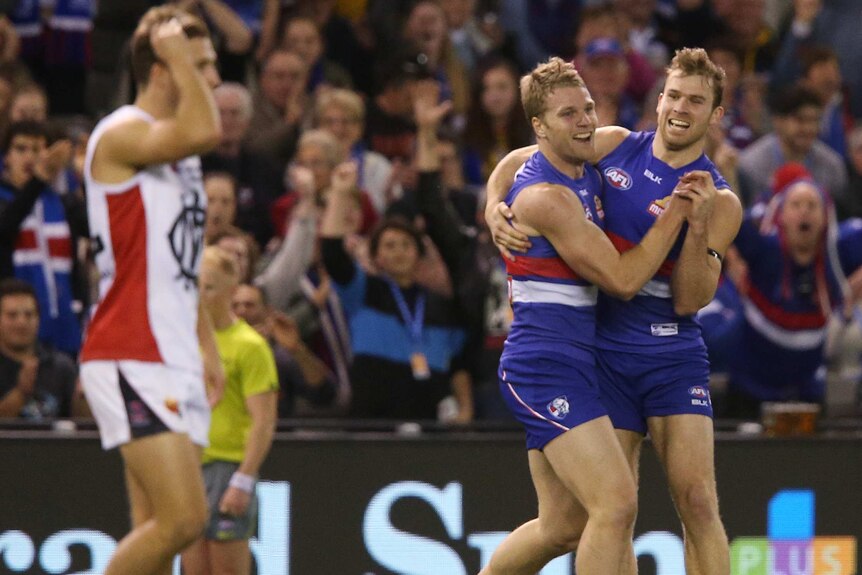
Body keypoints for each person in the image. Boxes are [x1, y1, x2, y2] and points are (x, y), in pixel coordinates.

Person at [487, 48, 743, 574]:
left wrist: (694, 227)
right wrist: (493, 204)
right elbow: (518, 161)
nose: (680, 107)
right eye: (673, 94)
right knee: (612, 508)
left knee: (696, 502)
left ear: (715, 115)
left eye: (696, 100)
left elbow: (691, 298)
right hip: (601, 351)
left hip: (670, 353)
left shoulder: (721, 201)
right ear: (658, 99)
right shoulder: (612, 146)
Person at [78, 7, 225, 575]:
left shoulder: (177, 156)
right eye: (201, 64)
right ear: (163, 67)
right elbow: (207, 128)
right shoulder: (120, 133)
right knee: (185, 521)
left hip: (173, 351)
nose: (212, 79)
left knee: (156, 537)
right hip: (130, 349)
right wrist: (176, 55)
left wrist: (206, 345)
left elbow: (178, 267)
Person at [182, 248, 278, 575]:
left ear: (230, 290)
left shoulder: (249, 346)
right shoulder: (183, 341)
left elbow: (263, 420)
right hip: (189, 466)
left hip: (227, 465)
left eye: (209, 287)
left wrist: (244, 478)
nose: (200, 295)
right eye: (195, 286)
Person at [0, 277, 85, 420]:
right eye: (12, 315)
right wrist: (21, 394)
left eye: (29, 315)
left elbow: (83, 426)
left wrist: (83, 398)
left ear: (38, 319)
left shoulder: (62, 368)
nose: (21, 322)